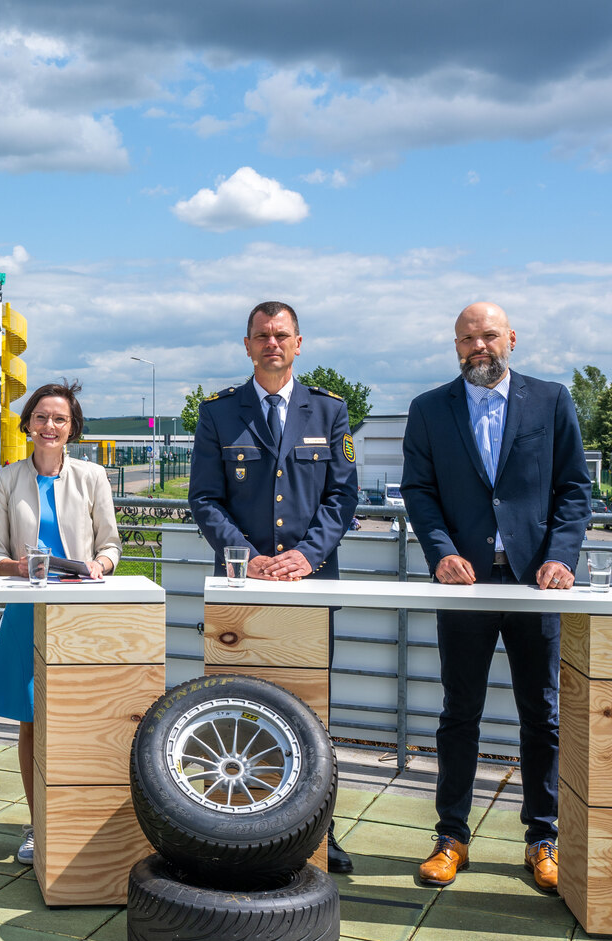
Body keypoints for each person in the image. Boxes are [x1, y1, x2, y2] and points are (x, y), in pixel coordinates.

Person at [402, 302, 591, 891]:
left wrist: (560, 557)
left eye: (488, 336)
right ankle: (451, 836)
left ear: (511, 337)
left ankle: (543, 838)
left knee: (543, 716)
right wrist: (440, 554)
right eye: (466, 338)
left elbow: (574, 488)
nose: (477, 347)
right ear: (454, 345)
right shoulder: (429, 409)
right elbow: (419, 490)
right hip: (466, 586)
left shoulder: (551, 400)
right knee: (460, 714)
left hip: (537, 585)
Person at [189, 301, 359, 873]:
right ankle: (243, 825)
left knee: (315, 707)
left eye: (281, 335)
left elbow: (342, 498)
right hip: (244, 587)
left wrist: (306, 558)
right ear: (246, 345)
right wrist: (251, 557)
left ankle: (319, 831)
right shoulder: (218, 415)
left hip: (311, 586)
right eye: (262, 335)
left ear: (299, 342)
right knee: (241, 706)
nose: (272, 344)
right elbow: (205, 499)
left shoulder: (330, 413)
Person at [0, 380, 122, 864]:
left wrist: (99, 567)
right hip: (26, 609)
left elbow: (111, 546)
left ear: (72, 428)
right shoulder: (7, 479)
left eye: (59, 419)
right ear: (27, 424)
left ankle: (79, 823)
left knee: (80, 721)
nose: (49, 426)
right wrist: (13, 568)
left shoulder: (93, 477)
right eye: (41, 417)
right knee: (31, 722)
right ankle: (38, 824)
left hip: (79, 612)